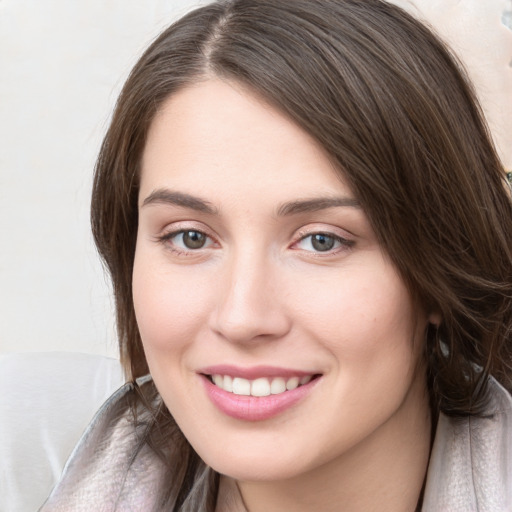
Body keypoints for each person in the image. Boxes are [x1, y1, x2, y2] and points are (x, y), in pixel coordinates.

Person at [39, 0, 512, 510]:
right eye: (190, 237)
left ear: (440, 265)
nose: (242, 318)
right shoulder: (23, 458)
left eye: (321, 240)